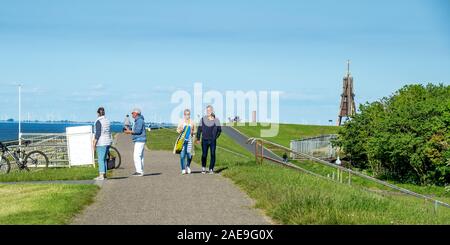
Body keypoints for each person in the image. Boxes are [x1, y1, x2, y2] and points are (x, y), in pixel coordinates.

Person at [196, 105, 221, 174]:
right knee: (204, 154)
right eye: (207, 110)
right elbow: (199, 129)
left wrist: (215, 137)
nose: (208, 112)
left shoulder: (216, 120)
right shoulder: (203, 119)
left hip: (212, 140)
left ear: (212, 111)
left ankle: (211, 169)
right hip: (204, 140)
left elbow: (219, 130)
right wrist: (198, 138)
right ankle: (203, 168)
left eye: (209, 110)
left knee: (213, 154)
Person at [124, 108, 146, 176]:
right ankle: (140, 170)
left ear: (136, 113)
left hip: (139, 140)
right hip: (140, 140)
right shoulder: (138, 120)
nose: (132, 114)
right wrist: (130, 130)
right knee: (140, 156)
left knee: (136, 156)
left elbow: (138, 131)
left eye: (132, 113)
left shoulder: (139, 121)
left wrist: (129, 132)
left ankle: (139, 171)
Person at [92, 107, 112, 180]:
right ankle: (105, 174)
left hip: (101, 142)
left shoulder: (98, 121)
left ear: (98, 113)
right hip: (108, 141)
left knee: (100, 159)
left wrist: (94, 143)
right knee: (104, 159)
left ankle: (101, 175)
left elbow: (98, 133)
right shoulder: (107, 121)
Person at [176, 109, 195, 175]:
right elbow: (177, 130)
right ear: (184, 115)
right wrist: (180, 130)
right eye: (186, 114)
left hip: (190, 140)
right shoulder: (181, 121)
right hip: (182, 141)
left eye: (188, 114)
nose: (187, 116)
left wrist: (193, 132)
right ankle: (183, 169)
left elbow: (195, 131)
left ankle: (188, 166)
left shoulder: (192, 122)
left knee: (190, 155)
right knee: (182, 155)